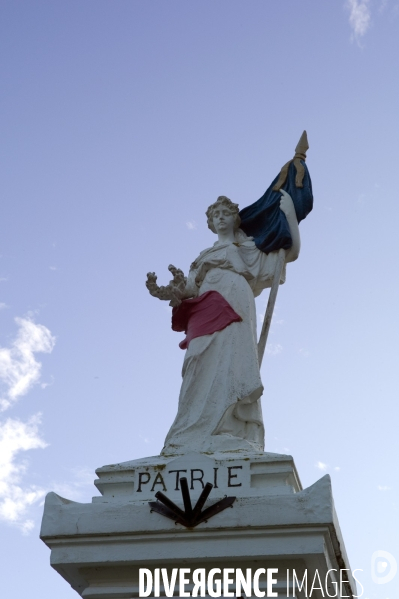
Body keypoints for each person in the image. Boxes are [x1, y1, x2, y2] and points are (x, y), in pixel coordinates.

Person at [146, 190, 300, 455]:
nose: (220, 218)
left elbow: (289, 254)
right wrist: (171, 291)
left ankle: (228, 430)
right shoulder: (204, 255)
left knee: (232, 360)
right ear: (209, 222)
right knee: (196, 360)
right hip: (205, 305)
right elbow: (189, 289)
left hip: (236, 300)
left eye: (225, 214)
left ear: (234, 219)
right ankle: (190, 432)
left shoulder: (248, 248)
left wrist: (290, 217)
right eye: (215, 215)